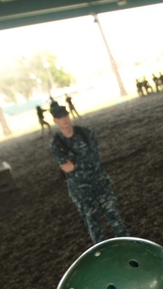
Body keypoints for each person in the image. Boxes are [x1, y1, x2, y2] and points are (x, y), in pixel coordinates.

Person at [49, 104, 129, 244]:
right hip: (80, 189)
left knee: (114, 216)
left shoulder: (85, 133)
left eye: (66, 116)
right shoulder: (57, 143)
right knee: (93, 223)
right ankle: (100, 255)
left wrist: (75, 164)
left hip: (100, 182)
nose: (65, 120)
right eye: (60, 118)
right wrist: (82, 161)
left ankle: (127, 245)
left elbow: (95, 159)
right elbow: (66, 168)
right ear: (56, 121)